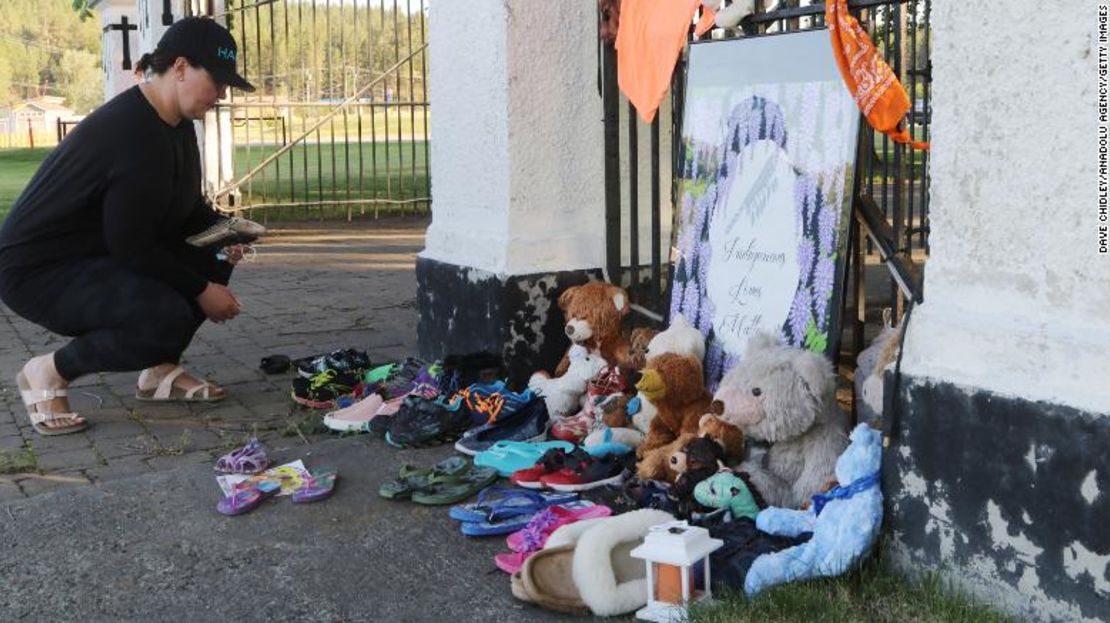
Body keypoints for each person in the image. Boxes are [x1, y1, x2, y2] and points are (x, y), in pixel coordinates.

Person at [0, 17, 258, 436]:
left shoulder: (177, 126)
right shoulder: (131, 132)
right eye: (217, 80)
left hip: (97, 251)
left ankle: (159, 372)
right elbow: (131, 245)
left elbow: (187, 209)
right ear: (179, 68)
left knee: (218, 243)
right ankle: (47, 372)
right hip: (39, 270)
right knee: (165, 317)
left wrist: (232, 228)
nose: (223, 94)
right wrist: (202, 291)